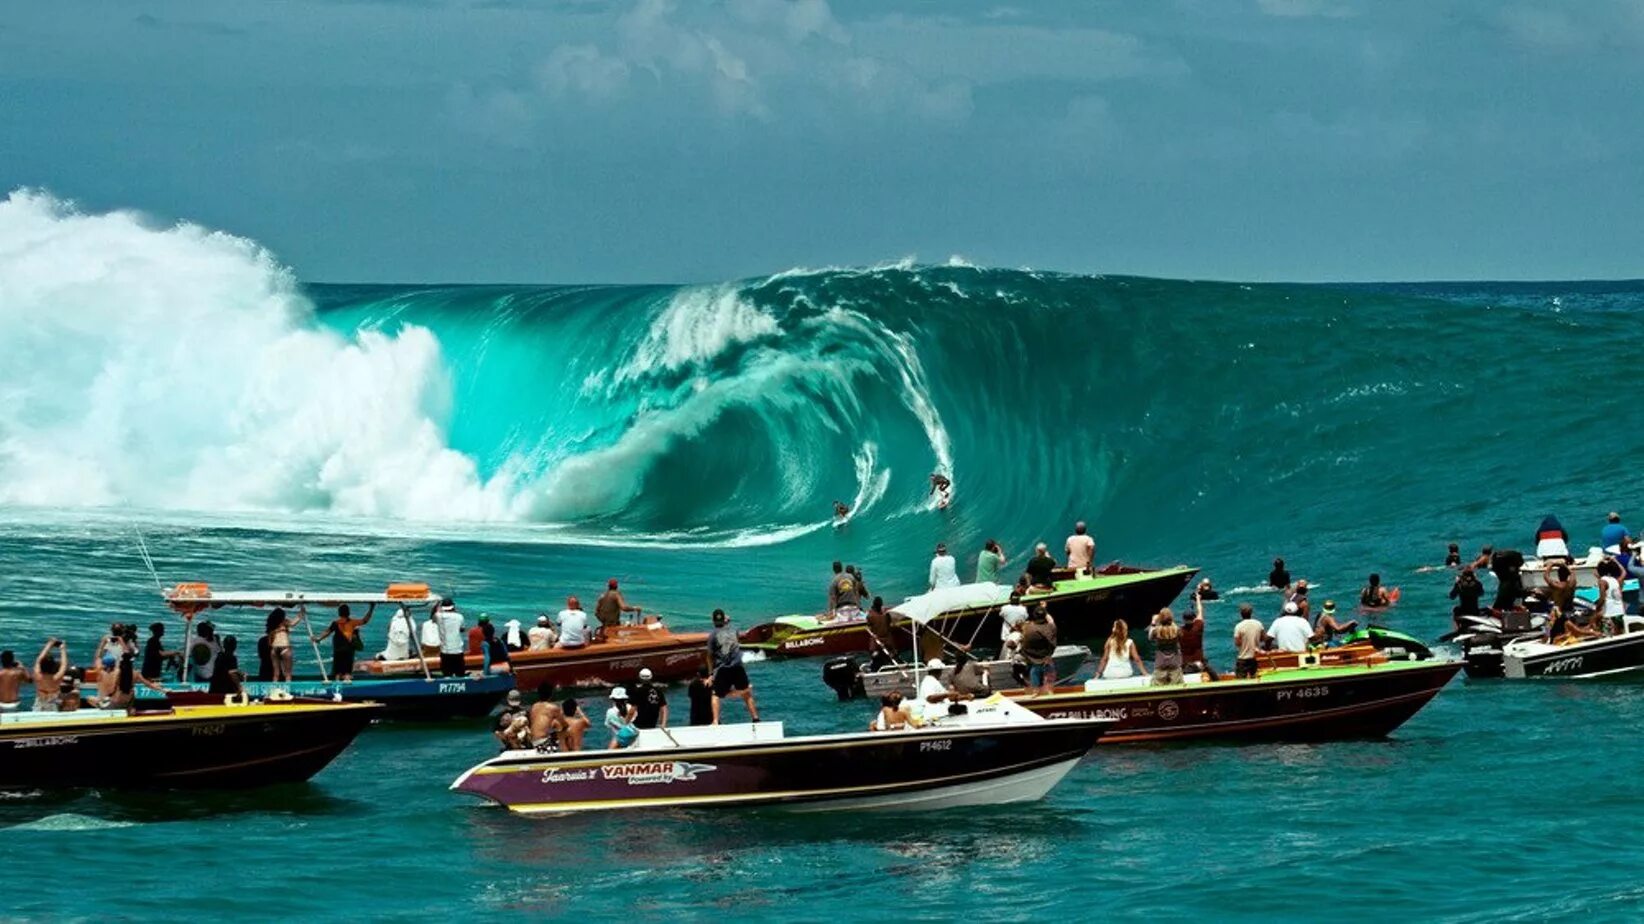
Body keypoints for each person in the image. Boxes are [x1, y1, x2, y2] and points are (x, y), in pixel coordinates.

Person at [708, 609, 759, 723]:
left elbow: (709, 656)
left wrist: (711, 673)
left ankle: (715, 721)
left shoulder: (712, 635)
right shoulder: (734, 630)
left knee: (715, 695)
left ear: (713, 620)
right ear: (724, 620)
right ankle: (755, 718)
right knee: (746, 693)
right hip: (737, 667)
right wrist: (727, 621)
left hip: (723, 669)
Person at [314, 602, 374, 682]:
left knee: (338, 672)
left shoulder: (335, 623)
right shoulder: (353, 622)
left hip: (338, 650)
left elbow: (327, 632)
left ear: (339, 613)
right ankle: (347, 685)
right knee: (347, 672)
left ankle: (336, 685)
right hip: (349, 650)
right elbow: (365, 620)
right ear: (348, 613)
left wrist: (318, 639)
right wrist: (371, 608)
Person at [1020, 605, 1059, 695]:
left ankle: (1035, 691)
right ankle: (1048, 693)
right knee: (1049, 680)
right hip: (1046, 658)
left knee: (1034, 672)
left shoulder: (1027, 627)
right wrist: (1045, 609)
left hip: (1032, 659)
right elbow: (1051, 621)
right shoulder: (1050, 628)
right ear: (1044, 616)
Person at [1181, 590, 1218, 680]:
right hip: (1200, 663)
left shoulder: (1180, 631)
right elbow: (1200, 611)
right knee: (1214, 677)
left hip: (1186, 665)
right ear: (1194, 618)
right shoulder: (1198, 626)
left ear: (1183, 619)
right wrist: (1198, 599)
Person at [265, 608, 301, 682]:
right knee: (288, 674)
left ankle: (274, 691)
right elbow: (293, 623)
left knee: (276, 674)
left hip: (274, 648)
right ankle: (287, 691)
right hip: (285, 647)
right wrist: (301, 614)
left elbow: (269, 642)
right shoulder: (284, 622)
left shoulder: (271, 626)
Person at [1148, 610, 1183, 686]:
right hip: (1174, 662)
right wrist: (1171, 621)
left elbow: (1150, 637)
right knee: (1177, 686)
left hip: (1160, 662)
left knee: (1157, 686)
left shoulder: (1157, 631)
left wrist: (1153, 622)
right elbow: (1181, 636)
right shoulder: (1176, 630)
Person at [528, 683, 566, 752]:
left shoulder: (534, 706)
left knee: (555, 725)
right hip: (543, 744)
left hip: (533, 742)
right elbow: (565, 725)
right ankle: (567, 752)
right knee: (564, 729)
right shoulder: (553, 708)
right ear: (551, 694)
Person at [32, 639, 68, 712]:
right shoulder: (57, 678)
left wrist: (49, 644)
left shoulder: (37, 675)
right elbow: (64, 664)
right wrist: (63, 649)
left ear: (41, 666)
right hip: (53, 703)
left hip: (40, 702)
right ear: (53, 666)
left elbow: (38, 660)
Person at [435, 597, 466, 677]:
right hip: (458, 650)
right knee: (460, 673)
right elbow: (462, 629)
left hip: (445, 651)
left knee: (447, 674)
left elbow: (433, 616)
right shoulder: (460, 616)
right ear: (453, 607)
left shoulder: (438, 616)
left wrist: (437, 604)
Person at [1232, 604, 1265, 679]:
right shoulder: (1258, 624)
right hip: (1254, 657)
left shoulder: (1239, 626)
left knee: (1240, 681)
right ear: (1251, 613)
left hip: (1243, 658)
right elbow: (1263, 638)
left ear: (1241, 614)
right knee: (1254, 678)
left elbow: (1237, 643)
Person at [864, 596, 895, 669]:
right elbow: (888, 624)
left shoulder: (870, 616)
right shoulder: (886, 615)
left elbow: (869, 624)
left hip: (876, 642)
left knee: (876, 659)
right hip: (887, 641)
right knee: (890, 658)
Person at [1596, 558, 1626, 634]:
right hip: (1620, 612)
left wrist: (1597, 607)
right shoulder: (1615, 580)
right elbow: (1624, 572)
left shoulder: (1602, 581)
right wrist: (1615, 561)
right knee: (1620, 634)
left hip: (1609, 613)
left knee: (1608, 635)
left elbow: (1602, 598)